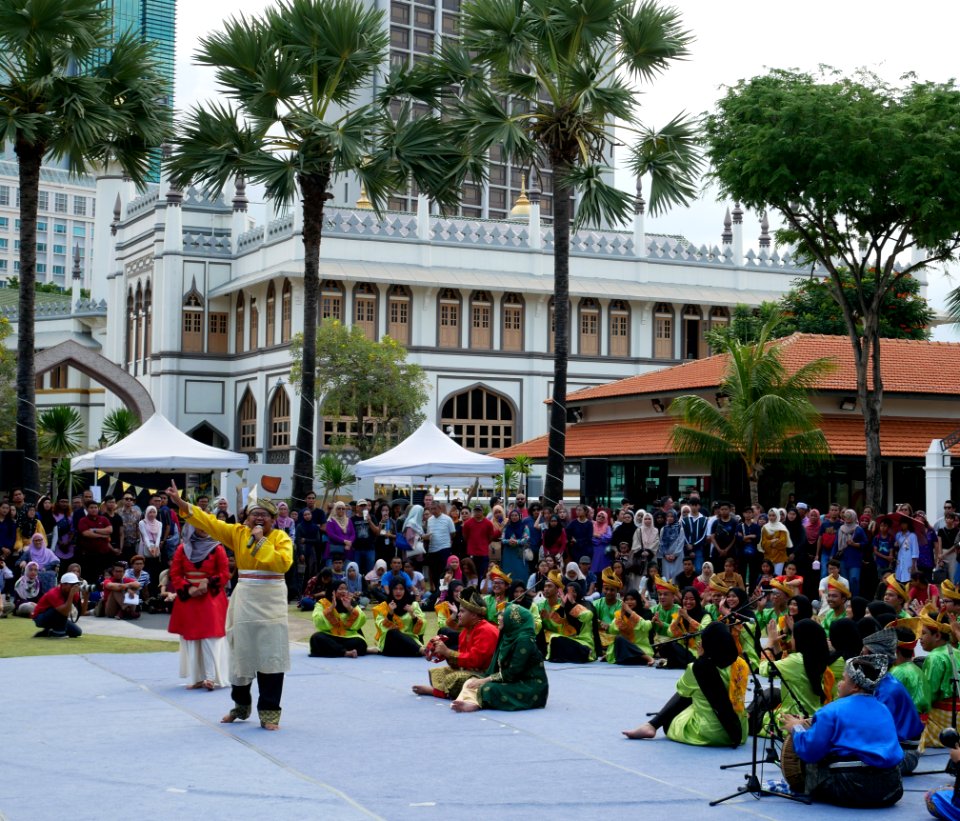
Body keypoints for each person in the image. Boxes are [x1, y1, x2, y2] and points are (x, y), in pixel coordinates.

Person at [164, 483, 293, 731]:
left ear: (273, 520)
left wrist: (261, 541)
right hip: (245, 598)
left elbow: (282, 564)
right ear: (245, 518)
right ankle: (240, 706)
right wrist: (182, 505)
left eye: (264, 515)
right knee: (241, 654)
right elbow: (209, 523)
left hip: (272, 600)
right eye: (254, 514)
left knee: (271, 657)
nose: (258, 518)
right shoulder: (237, 533)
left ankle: (269, 713)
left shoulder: (281, 538)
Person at [780, 655, 903, 808]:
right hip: (892, 787)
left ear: (856, 687)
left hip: (850, 788)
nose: (838, 684)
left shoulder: (832, 710)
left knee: (816, 752)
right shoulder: (884, 709)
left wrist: (796, 728)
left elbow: (810, 751)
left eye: (843, 679)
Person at [624, 622, 749, 746]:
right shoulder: (741, 664)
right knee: (700, 690)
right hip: (738, 732)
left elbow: (682, 691)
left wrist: (700, 660)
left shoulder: (698, 667)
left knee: (670, 719)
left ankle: (652, 725)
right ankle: (651, 725)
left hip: (710, 733)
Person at [451, 602, 549, 713]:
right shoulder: (507, 636)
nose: (499, 617)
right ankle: (463, 701)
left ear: (514, 620)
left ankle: (474, 704)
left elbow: (511, 673)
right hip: (512, 681)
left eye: (503, 615)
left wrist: (484, 680)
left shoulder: (524, 640)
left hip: (529, 687)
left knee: (488, 688)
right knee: (471, 681)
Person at [167, 524, 231, 690]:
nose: (202, 528)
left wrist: (207, 583)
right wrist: (189, 588)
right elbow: (175, 573)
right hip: (189, 598)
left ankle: (210, 677)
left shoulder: (217, 548)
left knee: (211, 637)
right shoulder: (183, 548)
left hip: (211, 598)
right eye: (198, 525)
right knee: (192, 638)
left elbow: (224, 573)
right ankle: (197, 678)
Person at [413, 585, 499, 699]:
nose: (458, 614)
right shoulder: (465, 631)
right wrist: (443, 654)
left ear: (473, 615)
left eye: (462, 611)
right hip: (472, 670)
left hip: (486, 675)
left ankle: (436, 692)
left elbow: (474, 661)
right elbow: (462, 661)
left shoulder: (486, 630)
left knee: (455, 678)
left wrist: (448, 652)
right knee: (438, 672)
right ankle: (443, 690)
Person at [919, 611, 960, 750]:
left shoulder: (935, 657)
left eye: (924, 633)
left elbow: (929, 694)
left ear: (937, 636)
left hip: (943, 719)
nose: (920, 638)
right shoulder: (957, 652)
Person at [309, 581, 368, 658]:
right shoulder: (322, 603)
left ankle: (336, 650)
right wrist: (331, 608)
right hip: (330, 636)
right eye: (340, 589)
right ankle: (345, 652)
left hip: (347, 637)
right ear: (333, 590)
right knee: (316, 638)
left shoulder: (350, 602)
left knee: (360, 643)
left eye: (345, 589)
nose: (343, 591)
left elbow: (362, 618)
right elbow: (317, 621)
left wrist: (349, 608)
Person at [371, 578, 425, 656]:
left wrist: (413, 615)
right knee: (393, 632)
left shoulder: (413, 605)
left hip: (410, 643)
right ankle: (421, 650)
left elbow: (421, 629)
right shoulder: (384, 606)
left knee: (408, 645)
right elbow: (381, 627)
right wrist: (390, 614)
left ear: (405, 590)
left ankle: (417, 650)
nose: (398, 591)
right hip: (391, 645)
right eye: (395, 588)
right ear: (391, 590)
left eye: (401, 589)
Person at [607, 588, 655, 666]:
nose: (629, 602)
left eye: (632, 599)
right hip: (624, 653)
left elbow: (646, 626)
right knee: (619, 639)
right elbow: (612, 630)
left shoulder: (646, 612)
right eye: (627, 600)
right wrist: (621, 617)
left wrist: (630, 612)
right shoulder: (620, 614)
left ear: (638, 600)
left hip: (640, 648)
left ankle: (646, 657)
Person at [32, 571, 83, 638]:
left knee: (77, 632)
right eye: (72, 584)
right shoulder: (53, 593)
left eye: (75, 584)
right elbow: (64, 612)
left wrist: (86, 595)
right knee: (57, 610)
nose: (74, 587)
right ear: (63, 585)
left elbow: (82, 611)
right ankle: (58, 632)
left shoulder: (72, 592)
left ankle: (48, 632)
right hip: (40, 618)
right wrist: (71, 595)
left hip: (56, 616)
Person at [498, 507, 529, 585]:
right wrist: (508, 541)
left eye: (516, 515)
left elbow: (526, 538)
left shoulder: (524, 527)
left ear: (519, 516)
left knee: (520, 570)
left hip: (519, 552)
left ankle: (521, 588)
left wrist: (517, 542)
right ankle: (508, 587)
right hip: (508, 553)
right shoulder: (507, 527)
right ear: (509, 517)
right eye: (512, 516)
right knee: (508, 570)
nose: (514, 517)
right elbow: (502, 538)